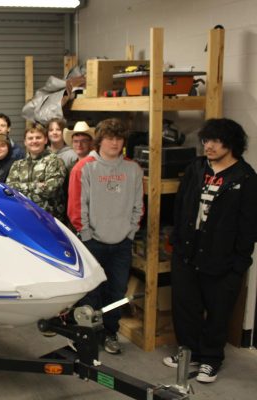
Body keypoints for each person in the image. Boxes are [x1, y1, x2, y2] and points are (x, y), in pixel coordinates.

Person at [163, 118, 257, 383]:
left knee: (218, 312)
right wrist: (178, 241)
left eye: (216, 141)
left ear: (231, 144)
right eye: (206, 140)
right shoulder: (196, 168)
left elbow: (249, 225)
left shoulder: (245, 178)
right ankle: (188, 353)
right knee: (185, 307)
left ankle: (211, 359)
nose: (209, 146)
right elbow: (180, 205)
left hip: (223, 260)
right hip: (187, 253)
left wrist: (240, 263)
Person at [67, 118, 144, 355]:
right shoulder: (84, 168)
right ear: (100, 140)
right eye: (110, 138)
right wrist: (87, 235)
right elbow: (77, 207)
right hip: (92, 242)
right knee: (91, 291)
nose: (115, 143)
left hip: (122, 243)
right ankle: (88, 334)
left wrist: (130, 232)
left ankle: (110, 332)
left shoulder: (133, 169)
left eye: (119, 138)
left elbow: (137, 205)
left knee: (117, 291)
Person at [6, 125, 67, 221]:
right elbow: (10, 190)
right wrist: (37, 185)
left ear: (45, 140)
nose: (34, 141)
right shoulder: (17, 165)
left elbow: (50, 190)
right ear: (25, 142)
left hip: (49, 221)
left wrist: (20, 187)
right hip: (23, 217)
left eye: (38, 137)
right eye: (30, 138)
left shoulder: (55, 161)